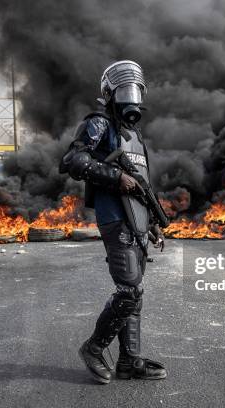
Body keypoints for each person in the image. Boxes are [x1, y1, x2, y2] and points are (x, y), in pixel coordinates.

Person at [59, 60, 167, 384]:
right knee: (129, 291)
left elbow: (143, 188)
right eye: (124, 90)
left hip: (136, 223)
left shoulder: (135, 138)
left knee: (136, 293)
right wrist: (115, 176)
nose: (131, 97)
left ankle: (129, 362)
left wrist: (153, 224)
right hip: (114, 220)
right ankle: (94, 348)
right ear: (109, 93)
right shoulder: (99, 124)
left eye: (135, 90)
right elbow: (73, 161)